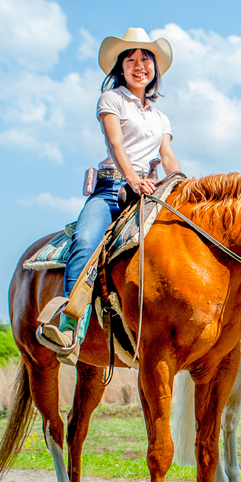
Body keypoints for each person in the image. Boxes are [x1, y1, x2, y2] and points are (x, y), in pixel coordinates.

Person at [37, 28, 179, 359]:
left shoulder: (161, 117)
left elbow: (168, 157)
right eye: (131, 59)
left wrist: (185, 184)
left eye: (146, 59)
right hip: (113, 187)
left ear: (155, 69)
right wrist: (132, 180)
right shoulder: (111, 100)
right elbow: (116, 144)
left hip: (149, 191)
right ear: (120, 68)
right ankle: (71, 327)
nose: (139, 65)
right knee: (86, 240)